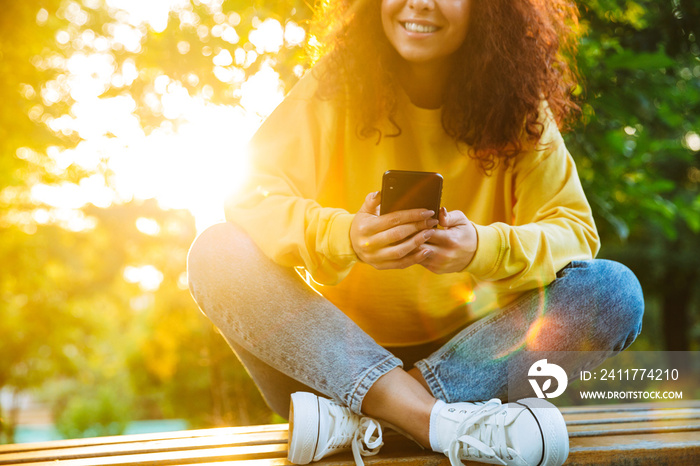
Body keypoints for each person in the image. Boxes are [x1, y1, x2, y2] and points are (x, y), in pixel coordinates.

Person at [187, 0, 645, 465]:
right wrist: (345, 236)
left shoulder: (521, 105)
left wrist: (482, 248)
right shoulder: (333, 83)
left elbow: (575, 232)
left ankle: (372, 419)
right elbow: (248, 194)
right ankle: (442, 422)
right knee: (216, 253)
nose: (419, 3)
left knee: (614, 292)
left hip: (477, 359)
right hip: (327, 358)